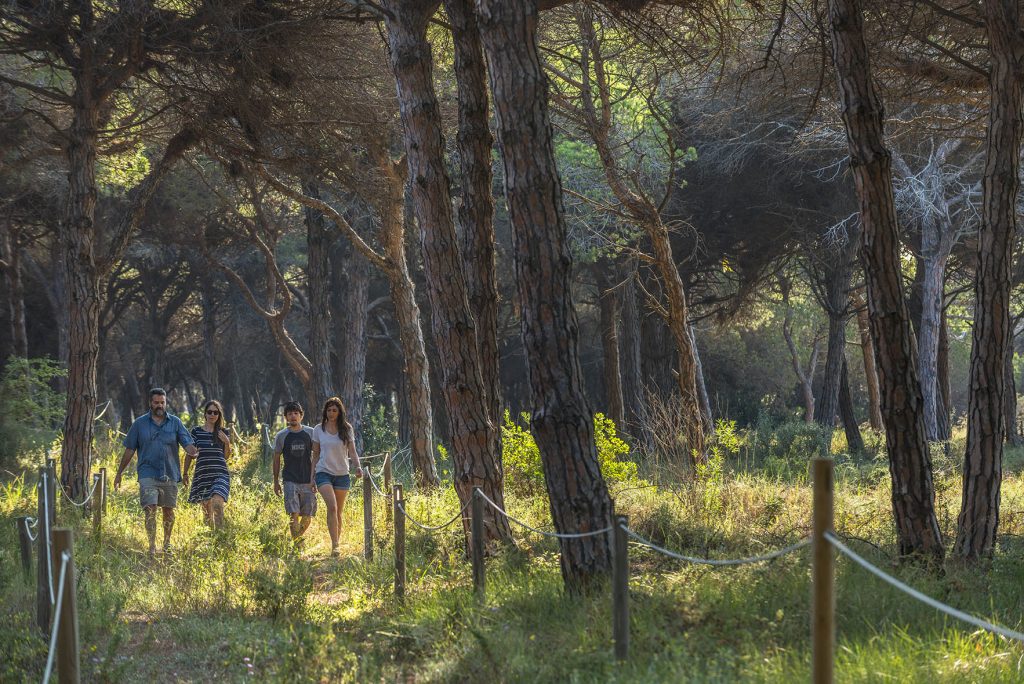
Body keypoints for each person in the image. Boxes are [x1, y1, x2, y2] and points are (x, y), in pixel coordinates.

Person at [114, 388, 197, 557]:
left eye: (162, 402)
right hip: (147, 473)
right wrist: (119, 472)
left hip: (169, 472)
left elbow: (187, 443)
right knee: (150, 508)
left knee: (168, 510)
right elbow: (129, 450)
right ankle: (152, 545)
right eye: (156, 402)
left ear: (166, 403)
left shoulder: (175, 422)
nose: (160, 405)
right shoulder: (139, 424)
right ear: (150, 403)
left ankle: (167, 543)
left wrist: (194, 451)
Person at [312, 396, 363, 556]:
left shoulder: (347, 429)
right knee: (332, 507)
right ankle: (334, 545)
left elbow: (353, 451)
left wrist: (358, 467)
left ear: (340, 412)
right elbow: (315, 455)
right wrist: (311, 477)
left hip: (342, 474)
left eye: (335, 410)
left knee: (338, 511)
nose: (331, 413)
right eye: (329, 410)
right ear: (325, 412)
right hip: (323, 472)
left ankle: (337, 542)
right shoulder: (318, 429)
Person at [183, 399, 232, 529]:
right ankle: (211, 539)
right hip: (203, 474)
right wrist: (185, 473)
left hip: (220, 473)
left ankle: (221, 535)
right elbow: (190, 454)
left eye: (215, 413)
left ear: (219, 415)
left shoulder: (223, 432)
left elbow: (226, 456)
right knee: (207, 514)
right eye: (209, 412)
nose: (212, 415)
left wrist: (227, 442)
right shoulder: (196, 432)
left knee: (217, 503)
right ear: (205, 414)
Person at [273, 401, 317, 542]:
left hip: (307, 479)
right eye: (290, 414)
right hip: (289, 479)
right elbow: (276, 459)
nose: (293, 416)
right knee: (294, 514)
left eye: (296, 413)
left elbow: (317, 456)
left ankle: (296, 539)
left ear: (301, 416)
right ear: (286, 417)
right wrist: (276, 481)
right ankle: (297, 545)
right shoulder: (281, 435)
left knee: (307, 516)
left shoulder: (310, 433)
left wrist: (315, 478)